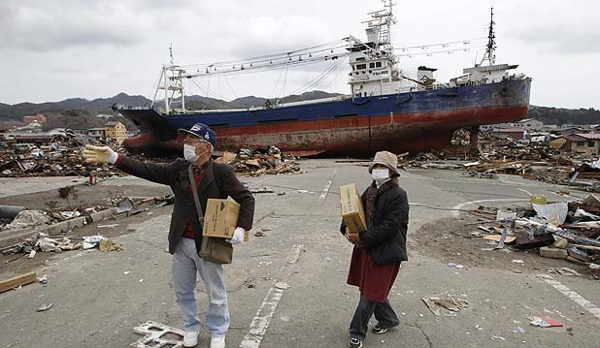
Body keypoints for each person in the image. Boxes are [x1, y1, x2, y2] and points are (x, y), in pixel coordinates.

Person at [82, 123, 255, 348]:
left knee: (216, 292)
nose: (186, 145)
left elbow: (246, 198)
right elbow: (147, 169)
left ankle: (217, 331)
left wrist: (242, 228)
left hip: (209, 242)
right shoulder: (179, 169)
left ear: (205, 147)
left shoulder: (221, 172)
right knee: (183, 290)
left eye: (192, 142)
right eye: (186, 141)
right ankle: (190, 327)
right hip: (180, 241)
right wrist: (115, 158)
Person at [340, 151, 409, 348]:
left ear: (392, 172)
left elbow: (390, 227)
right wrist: (346, 229)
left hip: (386, 252)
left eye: (383, 167)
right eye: (376, 167)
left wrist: (362, 238)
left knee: (369, 293)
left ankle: (357, 332)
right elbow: (352, 211)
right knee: (370, 288)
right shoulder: (369, 191)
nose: (378, 171)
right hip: (367, 247)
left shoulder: (398, 195)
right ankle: (389, 319)